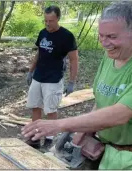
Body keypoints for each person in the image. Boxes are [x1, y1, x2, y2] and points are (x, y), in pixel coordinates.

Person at [22, 1, 132, 169]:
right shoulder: (111, 54)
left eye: (112, 36)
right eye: (101, 35)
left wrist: (59, 124)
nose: (104, 42)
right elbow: (102, 102)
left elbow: (121, 114)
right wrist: (83, 131)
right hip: (108, 152)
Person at [26, 5, 79, 147]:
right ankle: (34, 137)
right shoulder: (42, 32)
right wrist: (31, 71)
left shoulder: (67, 36)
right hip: (38, 76)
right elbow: (39, 53)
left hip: (54, 79)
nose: (48, 24)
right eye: (46, 21)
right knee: (35, 106)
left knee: (51, 110)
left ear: (58, 19)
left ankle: (49, 140)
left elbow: (74, 59)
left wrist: (71, 81)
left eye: (51, 21)